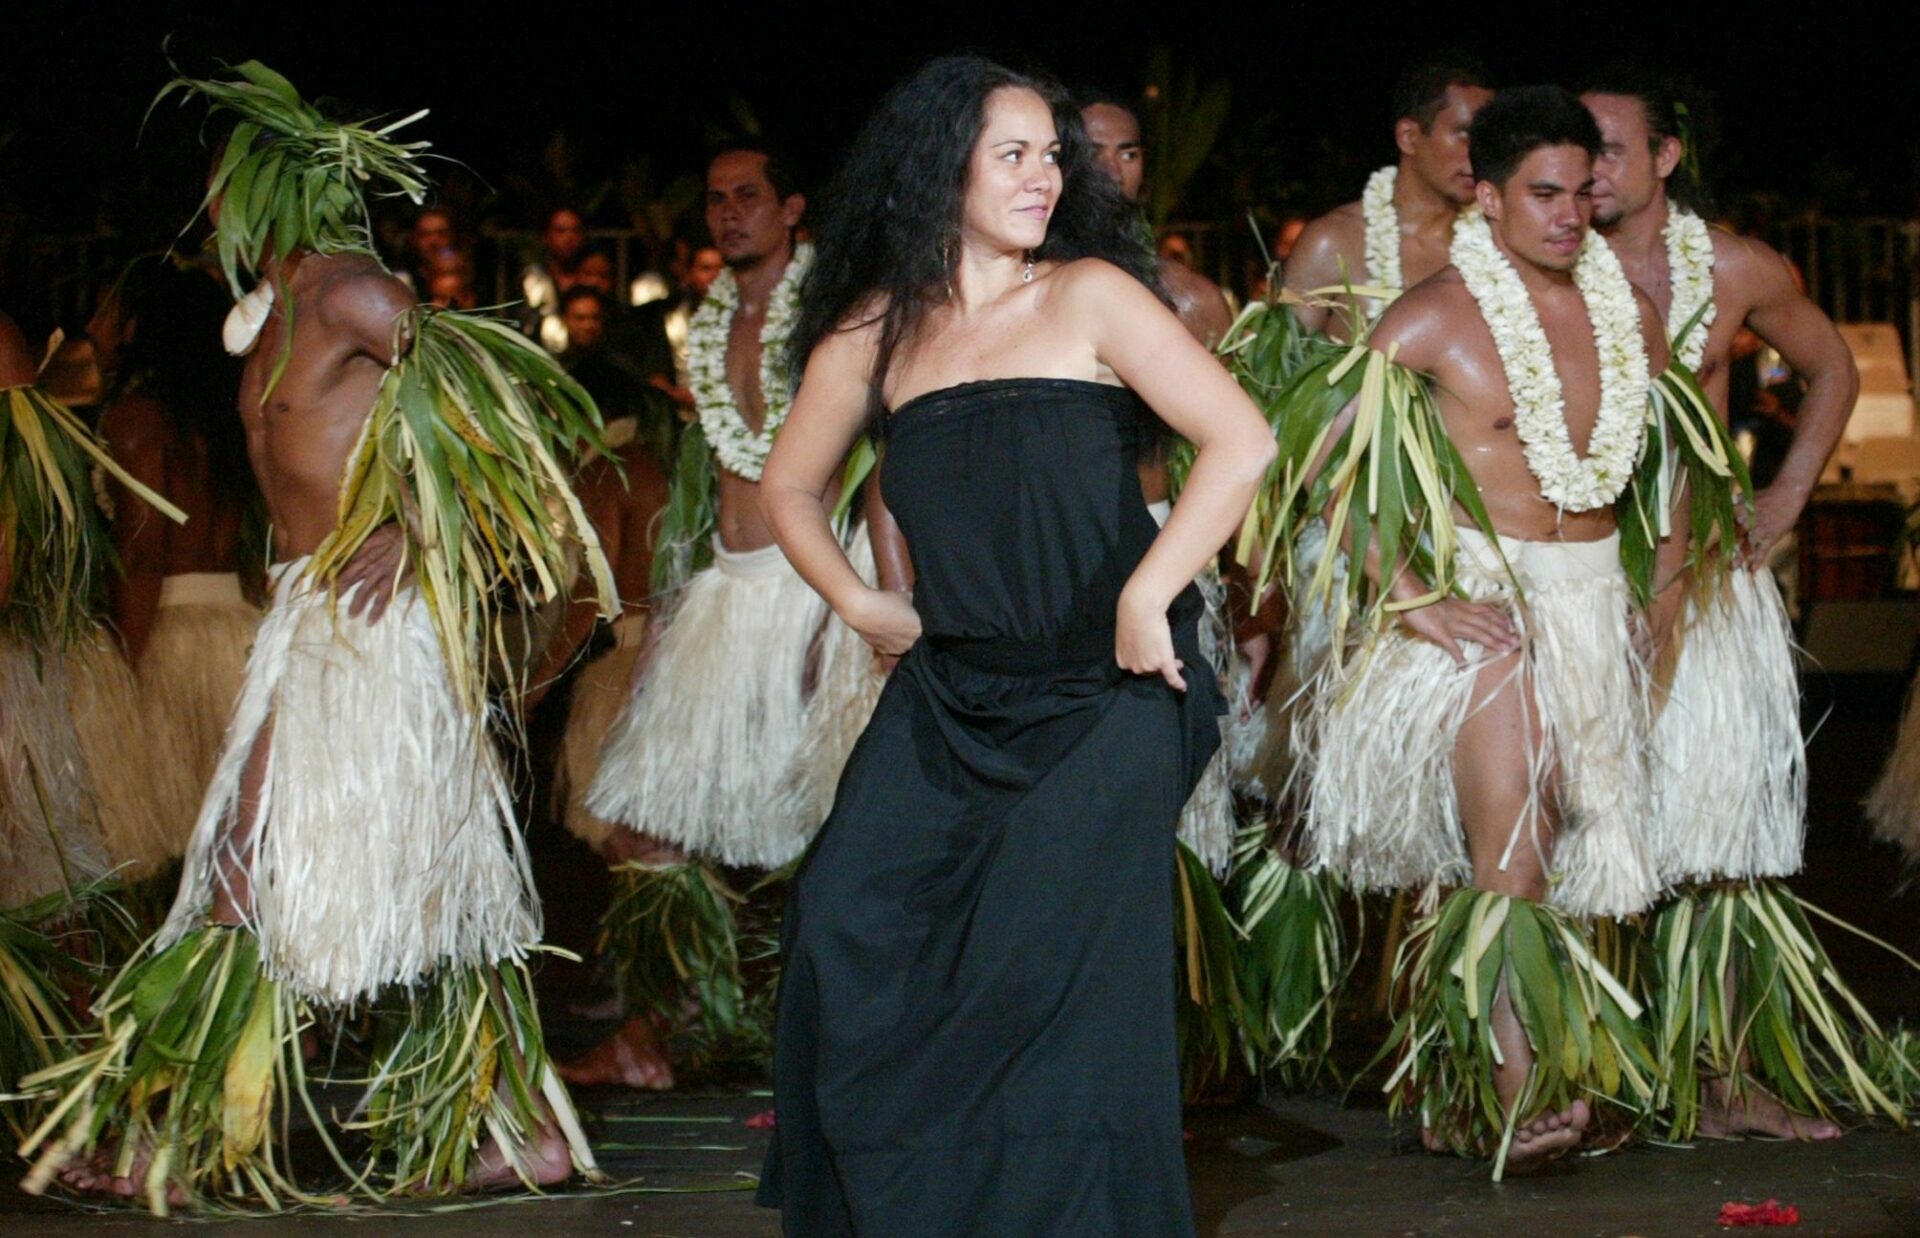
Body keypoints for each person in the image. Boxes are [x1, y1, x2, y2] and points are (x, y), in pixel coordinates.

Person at [21, 60, 603, 1210]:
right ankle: (522, 1123)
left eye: (228, 191)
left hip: (371, 634)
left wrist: (425, 531)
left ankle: (165, 1140)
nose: (212, 213)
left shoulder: (349, 290)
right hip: (307, 621)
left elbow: (498, 402)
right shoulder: (273, 313)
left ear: (278, 189)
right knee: (427, 877)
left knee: (240, 864)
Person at [754, 56, 1274, 1233]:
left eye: (1054, 155)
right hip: (959, 685)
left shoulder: (1089, 293)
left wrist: (1150, 593)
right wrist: (860, 601)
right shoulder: (878, 332)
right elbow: (790, 487)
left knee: (1050, 945)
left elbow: (1239, 442)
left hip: (1118, 681)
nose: (1047, 177)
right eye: (1016, 154)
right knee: (844, 913)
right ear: (940, 168)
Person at [1278, 86, 1670, 1177]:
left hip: (1590, 600)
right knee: (1511, 856)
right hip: (1488, 604)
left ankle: (1457, 1080)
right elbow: (1308, 463)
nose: (1567, 215)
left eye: (1582, 192)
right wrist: (1407, 589)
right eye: (1541, 193)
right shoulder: (1434, 317)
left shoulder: (1626, 312)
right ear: (1489, 198)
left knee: (1550, 852)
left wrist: (1651, 587)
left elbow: (1656, 465)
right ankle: (1523, 1084)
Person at [1582, 70, 1898, 1144]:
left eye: (1613, 145)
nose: (1592, 166)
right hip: (1580, 571)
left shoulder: (1734, 268)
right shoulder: (1537, 264)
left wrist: (1789, 491)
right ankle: (1581, 1070)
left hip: (1710, 573)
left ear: (1667, 157)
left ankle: (1725, 1077)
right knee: (1579, 826)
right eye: (1579, 147)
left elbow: (1834, 366)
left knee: (1722, 834)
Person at [572, 143, 892, 1090]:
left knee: (820, 830)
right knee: (654, 825)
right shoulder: (705, 325)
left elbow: (871, 458)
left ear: (792, 208)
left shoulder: (833, 310)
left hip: (816, 584)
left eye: (747, 197)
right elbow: (715, 469)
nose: (727, 214)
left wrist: (852, 607)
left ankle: (835, 1046)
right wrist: (673, 612)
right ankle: (662, 1030)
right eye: (714, 200)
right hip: (725, 587)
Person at [92, 258, 261, 883]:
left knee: (168, 852)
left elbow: (142, 555)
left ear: (140, 327)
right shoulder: (228, 416)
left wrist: (123, 675)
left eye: (111, 315)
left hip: (168, 639)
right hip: (239, 635)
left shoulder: (138, 419)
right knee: (234, 847)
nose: (99, 329)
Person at [1282, 54, 1493, 337]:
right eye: (1465, 135)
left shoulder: (1495, 246)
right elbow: (1282, 372)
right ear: (1408, 136)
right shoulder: (1332, 241)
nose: (1481, 154)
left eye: (1490, 140)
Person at [523, 206, 588, 352]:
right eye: (560, 231)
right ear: (546, 237)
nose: (569, 238)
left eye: (575, 231)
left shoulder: (593, 278)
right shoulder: (533, 280)